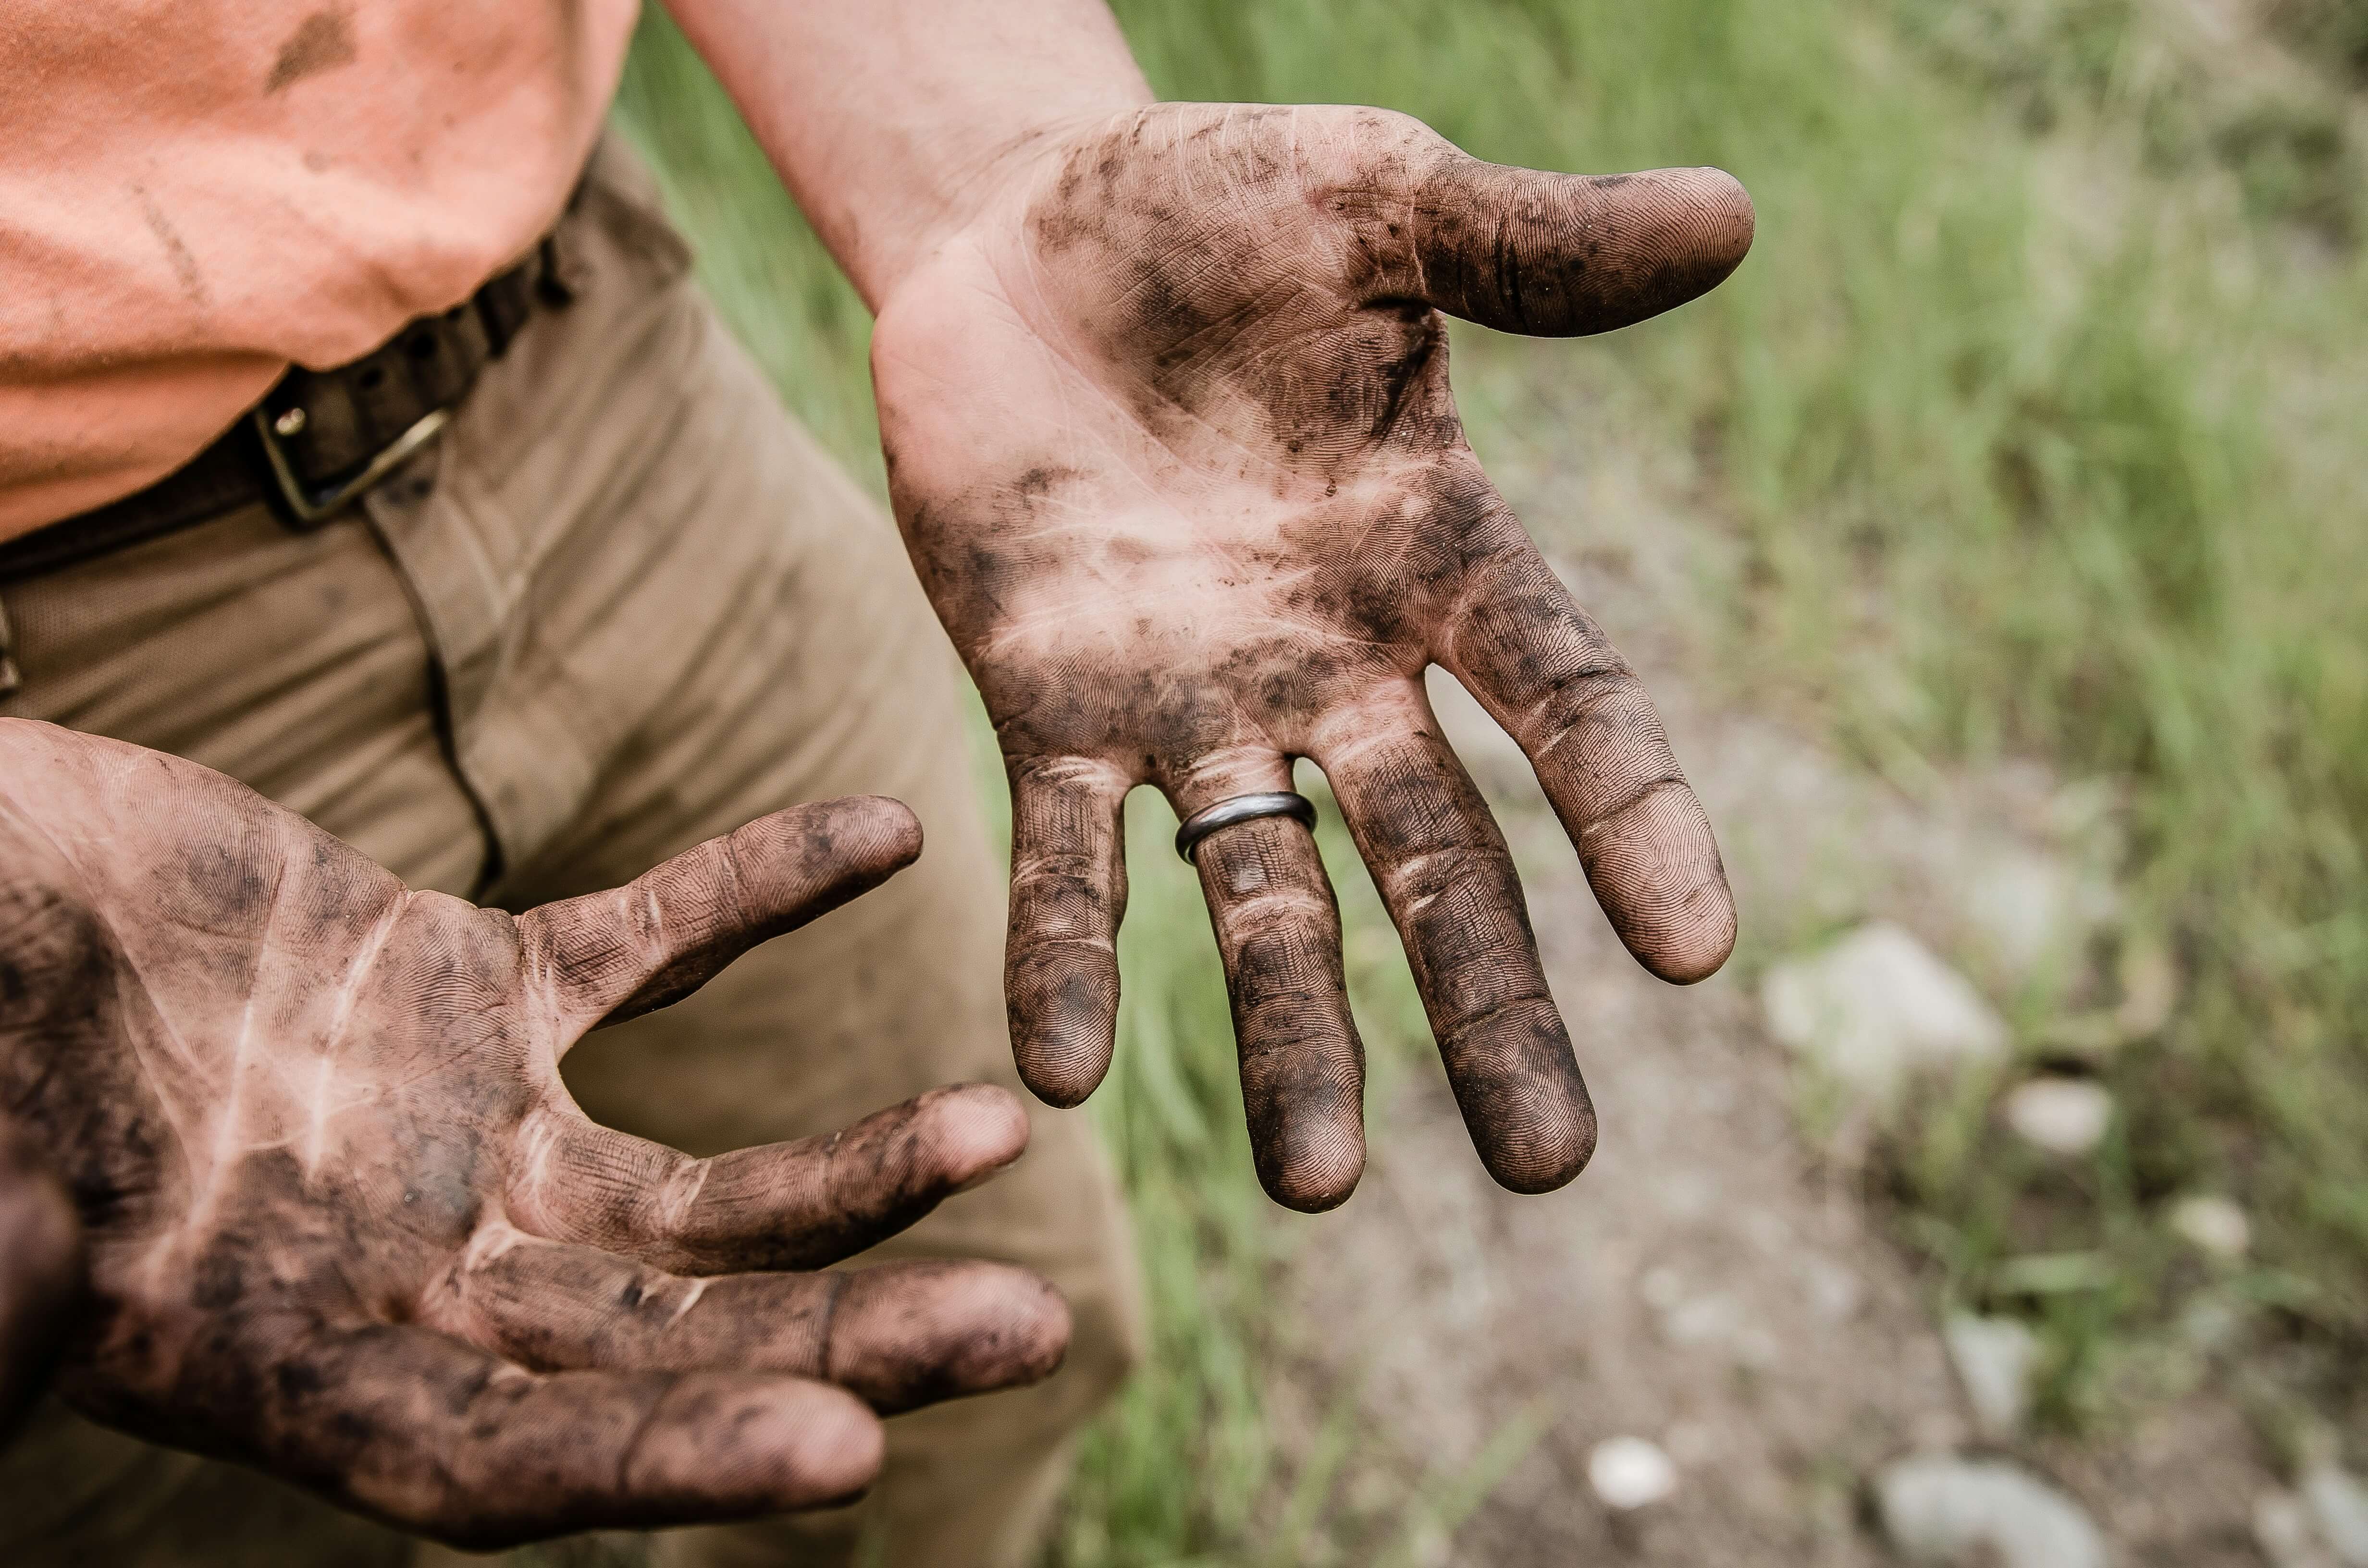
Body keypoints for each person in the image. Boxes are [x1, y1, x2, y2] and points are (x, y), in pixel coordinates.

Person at [0, 0, 1751, 1562]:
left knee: (977, 1353)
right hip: (56, 699)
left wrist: (992, 160)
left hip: (585, 379)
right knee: (208, 1491)